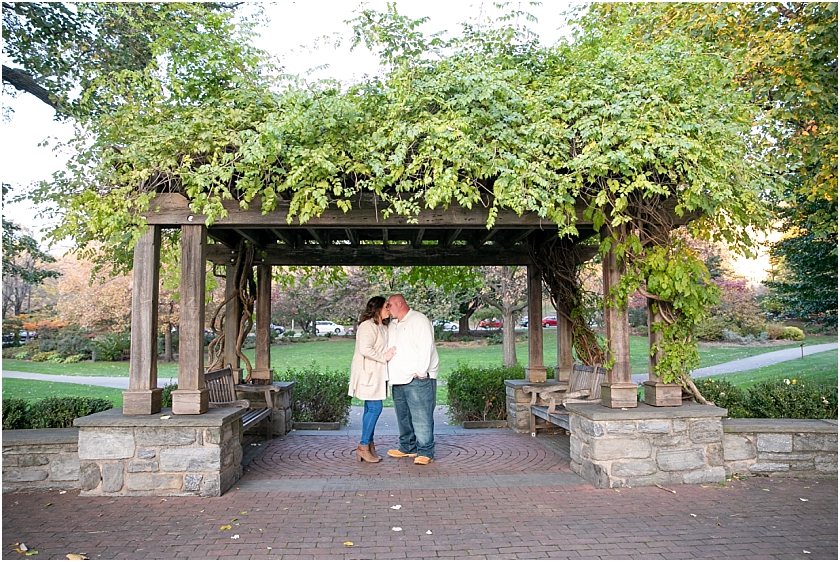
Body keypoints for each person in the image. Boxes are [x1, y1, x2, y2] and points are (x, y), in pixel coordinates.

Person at [385, 294, 439, 465]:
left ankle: (425, 451)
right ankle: (408, 447)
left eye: (389, 305)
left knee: (421, 416)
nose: (387, 308)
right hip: (398, 379)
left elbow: (426, 346)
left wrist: (422, 371)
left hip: (418, 378)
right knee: (403, 416)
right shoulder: (393, 324)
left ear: (399, 304)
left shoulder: (419, 320)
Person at [348, 296, 396, 463]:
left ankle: (368, 444)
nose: (389, 310)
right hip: (368, 372)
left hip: (377, 373)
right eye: (386, 307)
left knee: (370, 408)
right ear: (378, 309)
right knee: (375, 408)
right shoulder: (367, 326)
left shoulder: (381, 326)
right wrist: (384, 357)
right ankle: (362, 446)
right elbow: (365, 348)